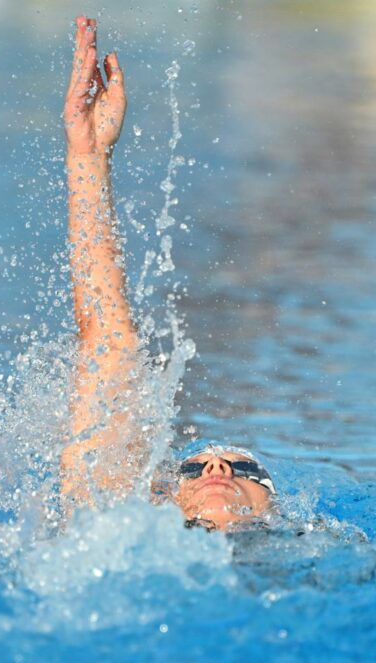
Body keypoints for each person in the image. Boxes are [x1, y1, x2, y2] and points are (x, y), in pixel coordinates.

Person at [59, 16, 275, 531]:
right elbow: (108, 343)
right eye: (193, 468)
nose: (217, 467)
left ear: (278, 505)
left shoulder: (323, 552)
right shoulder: (114, 529)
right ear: (160, 496)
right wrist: (87, 157)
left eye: (245, 468)